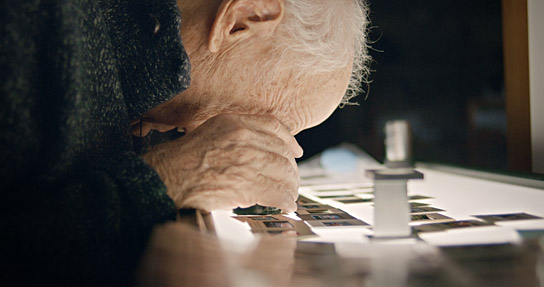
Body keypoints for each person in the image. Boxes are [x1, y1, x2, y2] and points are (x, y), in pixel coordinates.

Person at [0, 0, 369, 284]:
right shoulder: (38, 19)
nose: (272, 144)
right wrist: (166, 180)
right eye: (273, 123)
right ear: (245, 18)